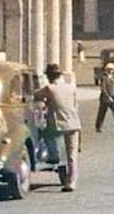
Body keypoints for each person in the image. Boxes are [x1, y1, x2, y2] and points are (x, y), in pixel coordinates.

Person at [34, 63, 82, 192]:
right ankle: (71, 182)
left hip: (57, 125)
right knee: (72, 155)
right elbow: (75, 104)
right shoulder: (71, 87)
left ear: (49, 77)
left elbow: (34, 95)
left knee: (43, 134)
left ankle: (52, 157)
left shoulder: (50, 88)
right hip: (73, 123)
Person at [95, 63, 114, 132]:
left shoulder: (110, 77)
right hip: (105, 99)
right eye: (111, 70)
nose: (112, 71)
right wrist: (108, 96)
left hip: (111, 98)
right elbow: (103, 89)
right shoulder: (104, 78)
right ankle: (98, 127)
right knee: (101, 113)